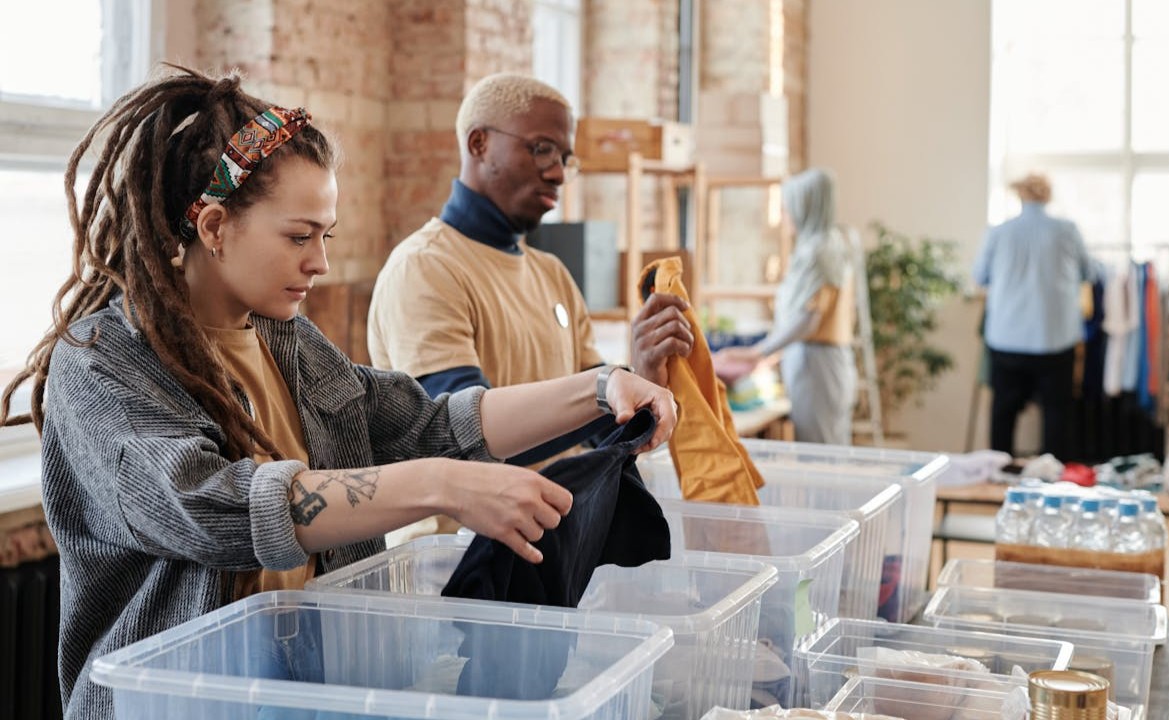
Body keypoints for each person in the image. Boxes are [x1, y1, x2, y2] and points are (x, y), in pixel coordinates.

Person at [0, 67, 676, 718]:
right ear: (212, 228)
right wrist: (442, 486)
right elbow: (213, 507)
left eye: (325, 235)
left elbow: (427, 424)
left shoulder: (286, 340)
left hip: (311, 692)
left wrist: (599, 388)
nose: (319, 262)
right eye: (299, 236)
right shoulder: (102, 366)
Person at [367, 73, 693, 466]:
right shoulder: (425, 269)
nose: (557, 173)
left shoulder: (552, 273)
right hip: (457, 529)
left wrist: (643, 374)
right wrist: (604, 387)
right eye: (542, 149)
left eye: (564, 159)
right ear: (479, 144)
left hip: (552, 523)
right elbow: (460, 442)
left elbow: (603, 432)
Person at [712, 168, 858, 445]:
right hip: (821, 362)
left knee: (821, 453)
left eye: (788, 208)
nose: (785, 217)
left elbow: (807, 318)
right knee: (828, 448)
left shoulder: (819, 251)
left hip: (817, 365)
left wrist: (756, 352)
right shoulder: (829, 244)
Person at [973, 172, 1097, 459]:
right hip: (1054, 338)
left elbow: (980, 276)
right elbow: (1088, 273)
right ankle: (1054, 483)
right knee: (1056, 415)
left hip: (1006, 337)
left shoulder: (999, 232)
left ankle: (999, 475)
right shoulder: (1067, 230)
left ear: (1020, 195)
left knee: (1003, 412)